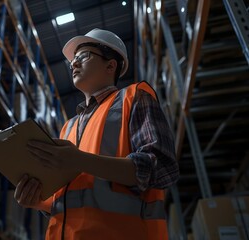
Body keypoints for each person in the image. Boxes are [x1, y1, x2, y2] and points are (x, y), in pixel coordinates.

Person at [14, 28, 179, 240]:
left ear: (111, 65)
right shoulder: (69, 127)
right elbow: (75, 198)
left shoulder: (134, 98)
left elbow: (161, 167)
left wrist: (79, 160)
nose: (73, 63)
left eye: (83, 56)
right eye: (73, 60)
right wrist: (38, 201)